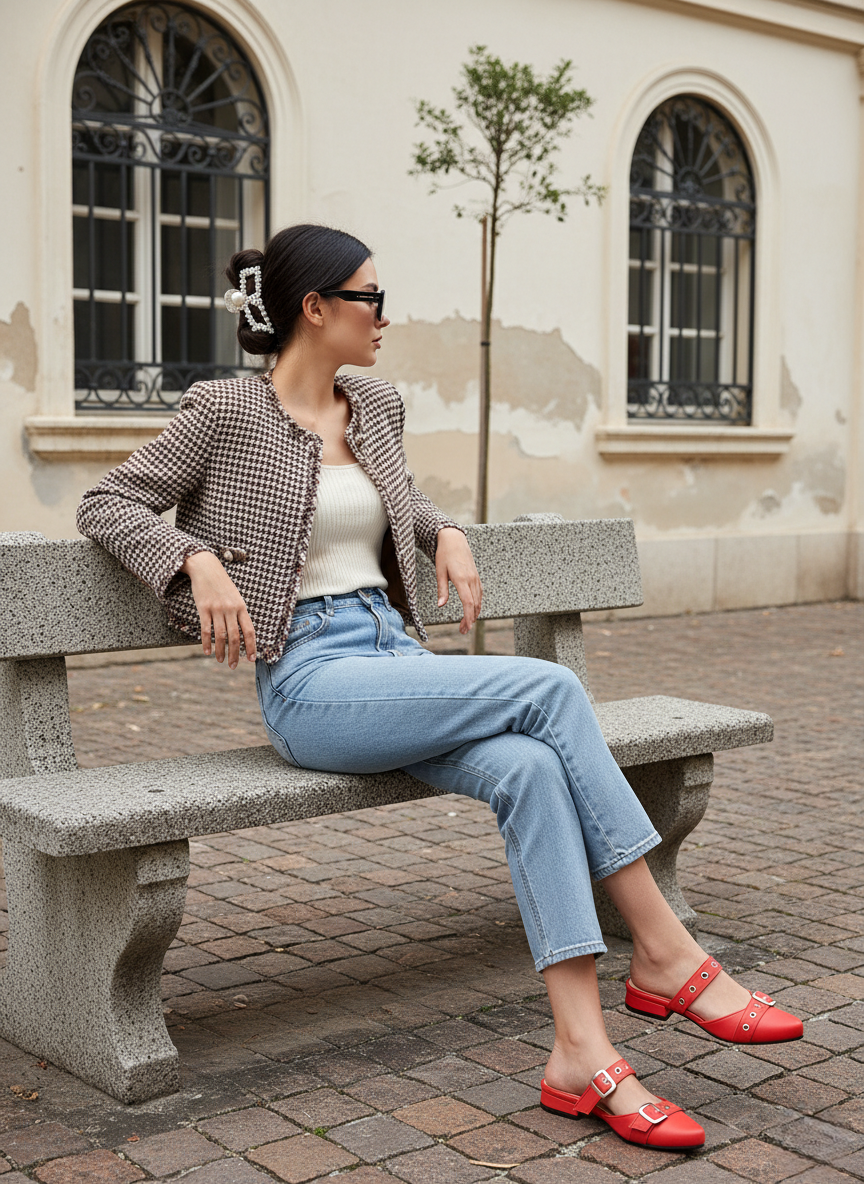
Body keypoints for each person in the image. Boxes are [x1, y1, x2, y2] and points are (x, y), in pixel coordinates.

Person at [77, 223, 802, 1151]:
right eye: (371, 297)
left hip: (397, 661)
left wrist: (441, 529)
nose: (385, 316)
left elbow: (393, 497)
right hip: (311, 681)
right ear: (316, 308)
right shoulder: (224, 410)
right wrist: (192, 558)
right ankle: (666, 951)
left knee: (532, 769)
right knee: (549, 691)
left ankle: (580, 1054)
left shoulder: (375, 403)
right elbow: (109, 502)